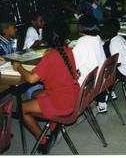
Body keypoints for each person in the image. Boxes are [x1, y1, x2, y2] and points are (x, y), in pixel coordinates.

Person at [12, 23, 80, 154]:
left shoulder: (50, 56)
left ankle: (43, 140)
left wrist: (19, 67)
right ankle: (54, 126)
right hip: (74, 97)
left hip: (62, 103)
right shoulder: (68, 50)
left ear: (46, 39)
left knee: (21, 108)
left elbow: (31, 79)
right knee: (36, 94)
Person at [72, 15, 107, 113]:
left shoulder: (82, 43)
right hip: (101, 79)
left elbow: (72, 64)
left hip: (89, 85)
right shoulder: (97, 38)